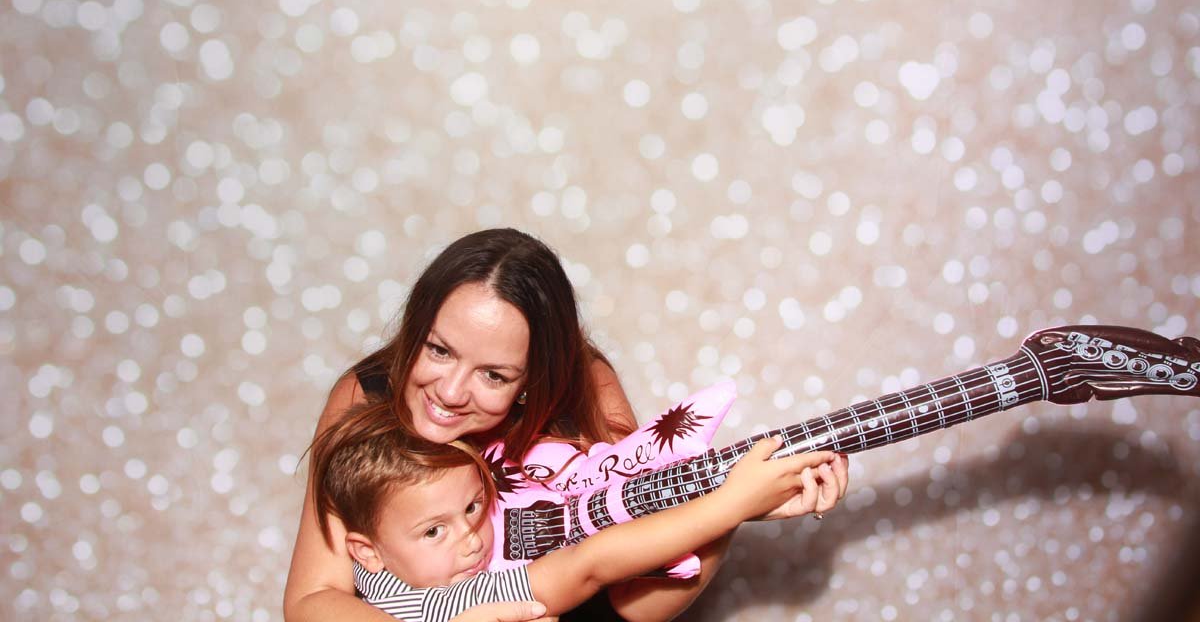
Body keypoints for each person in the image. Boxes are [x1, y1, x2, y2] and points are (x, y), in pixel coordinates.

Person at [283, 228, 850, 622]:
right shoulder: (365, 397)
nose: (451, 392)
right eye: (438, 349)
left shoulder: (583, 387)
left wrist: (728, 507)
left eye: (495, 376)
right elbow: (313, 600)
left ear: (534, 379)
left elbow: (637, 606)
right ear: (416, 325)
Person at [308, 399, 841, 622]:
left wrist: (731, 505)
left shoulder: (378, 571)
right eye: (433, 532)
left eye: (473, 506)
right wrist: (729, 505)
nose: (471, 538)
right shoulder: (457, 601)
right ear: (366, 552)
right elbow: (591, 562)